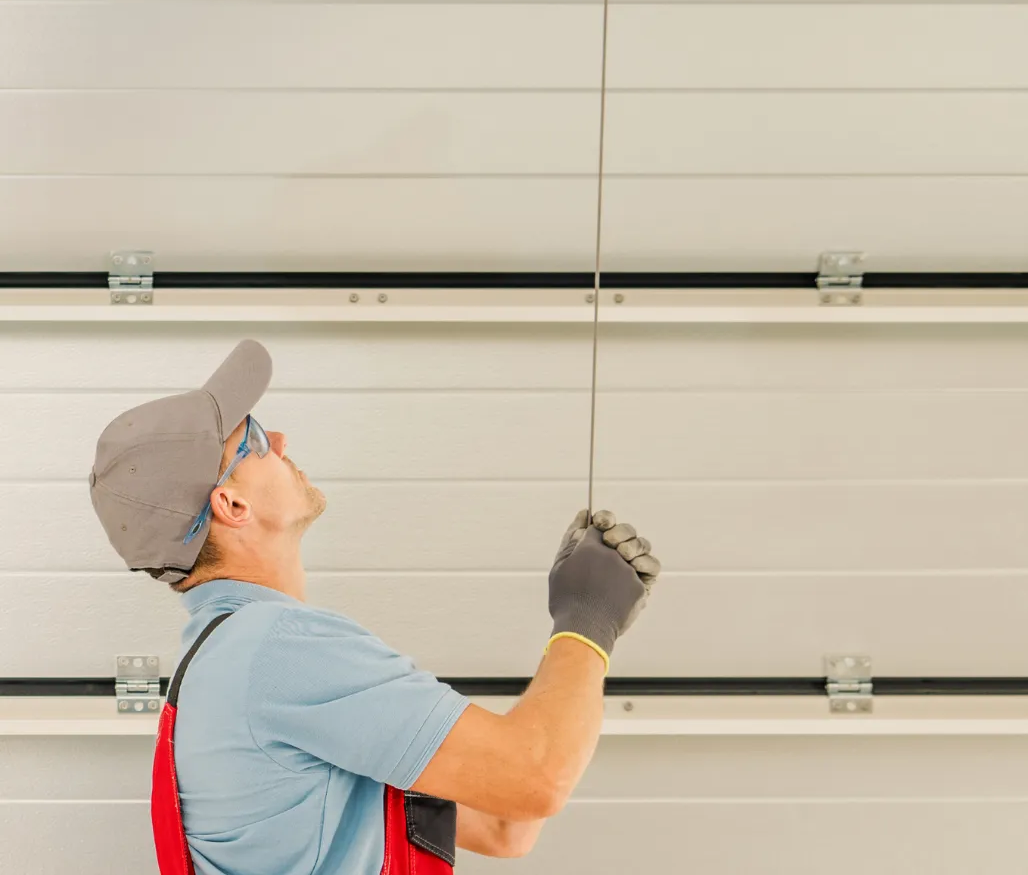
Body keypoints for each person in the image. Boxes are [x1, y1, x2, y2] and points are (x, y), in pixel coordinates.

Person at [89, 339, 661, 874]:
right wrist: (589, 620)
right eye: (255, 440)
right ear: (232, 505)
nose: (280, 441)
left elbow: (506, 823)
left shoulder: (222, 656)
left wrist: (581, 625)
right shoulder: (279, 648)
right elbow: (535, 779)